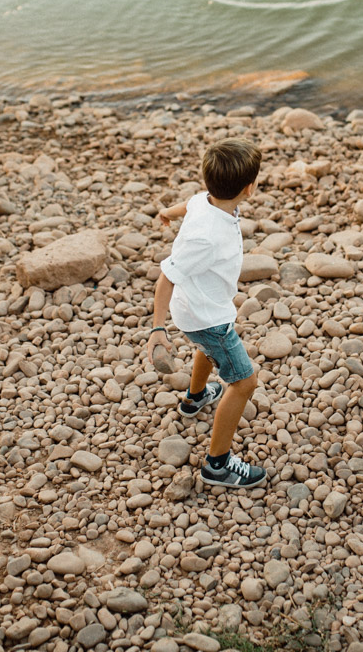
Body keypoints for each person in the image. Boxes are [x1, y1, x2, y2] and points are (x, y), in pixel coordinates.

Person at [144, 138, 267, 489]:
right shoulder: (206, 237)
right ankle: (217, 465)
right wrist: (156, 329)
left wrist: (167, 212)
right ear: (249, 188)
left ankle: (195, 398)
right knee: (244, 382)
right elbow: (166, 276)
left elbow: (189, 204)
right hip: (207, 316)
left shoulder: (206, 201)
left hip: (197, 307)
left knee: (206, 349)